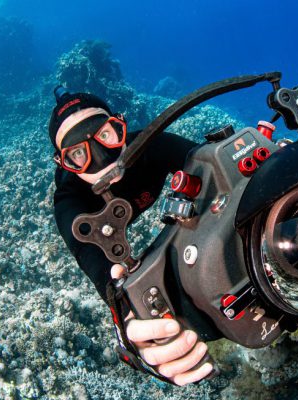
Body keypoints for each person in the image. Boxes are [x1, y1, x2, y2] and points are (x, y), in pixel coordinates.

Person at [48, 88, 214, 386]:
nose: (102, 160)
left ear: (120, 126)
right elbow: (96, 265)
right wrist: (127, 317)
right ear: (65, 165)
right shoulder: (69, 198)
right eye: (78, 154)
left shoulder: (149, 145)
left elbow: (213, 166)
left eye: (105, 135)